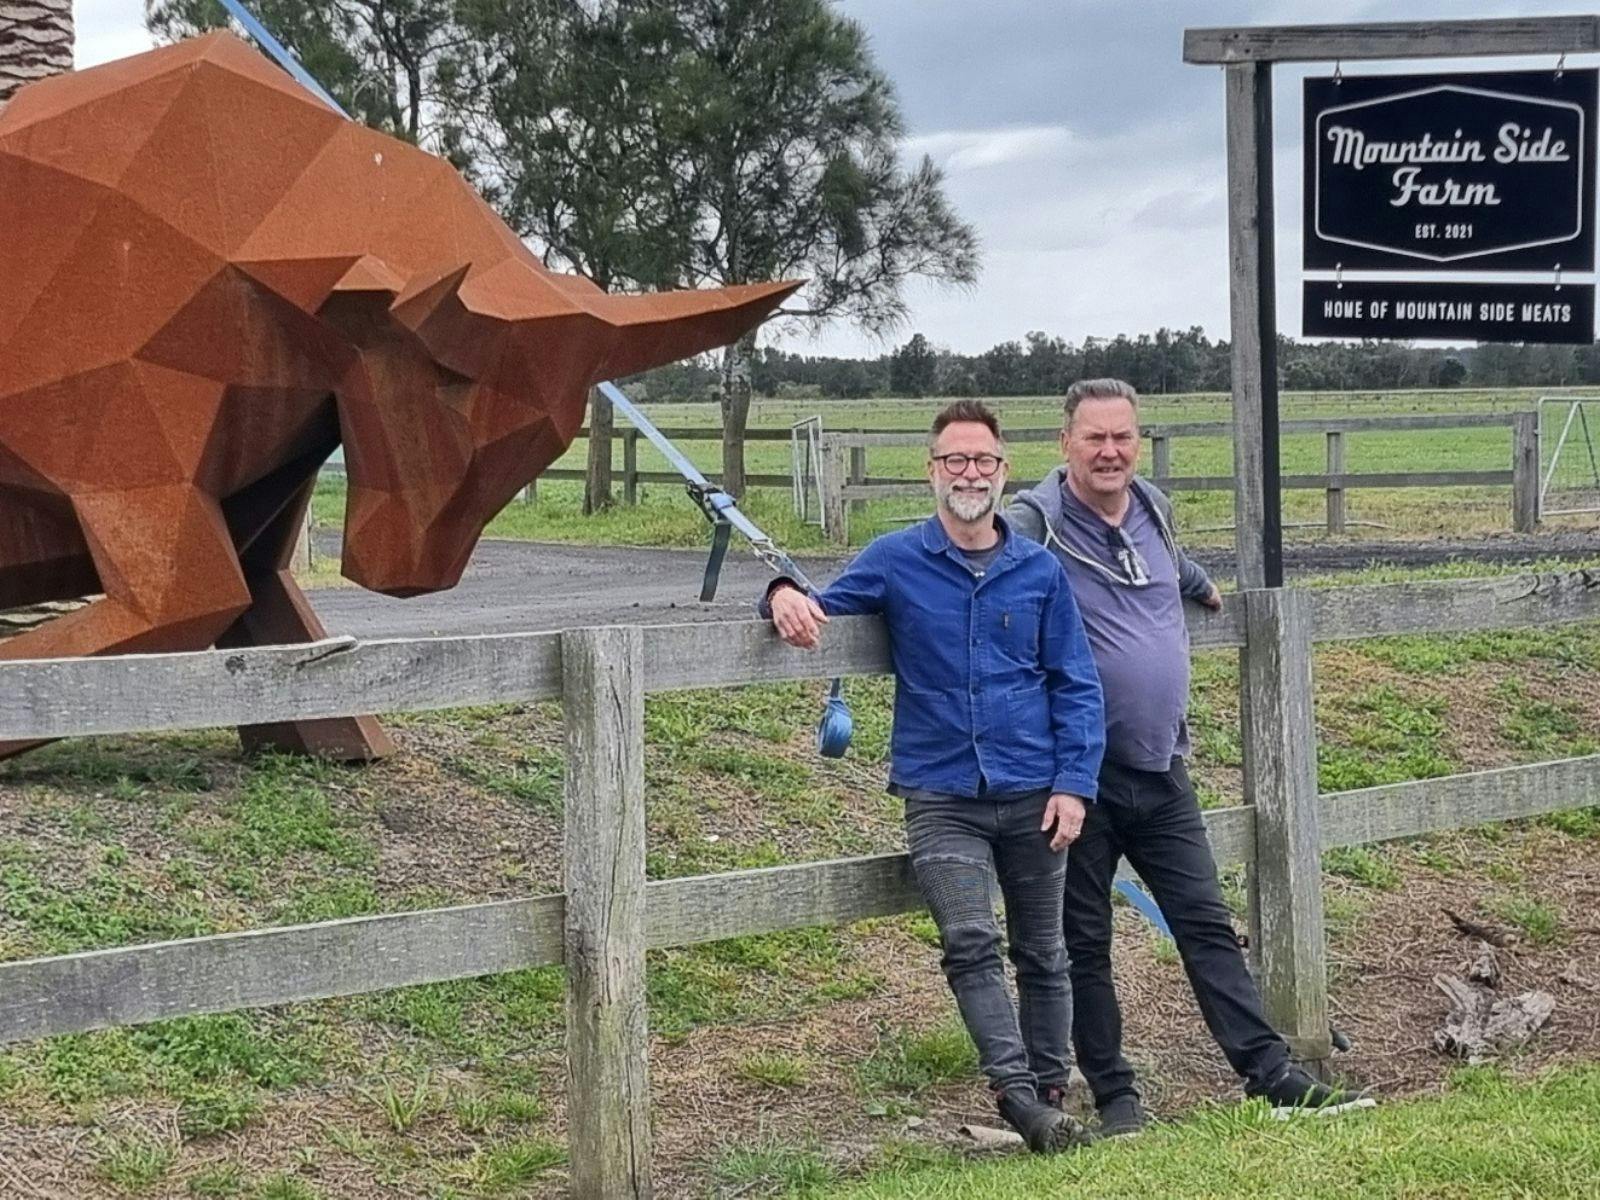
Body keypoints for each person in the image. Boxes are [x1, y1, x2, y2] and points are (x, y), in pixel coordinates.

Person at [1008, 378, 1375, 1134]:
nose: (1110, 452)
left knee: (1205, 924)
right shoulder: (1034, 521)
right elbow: (963, 560)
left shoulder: (1152, 507)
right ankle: (1117, 1099)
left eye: (1123, 437)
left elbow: (1168, 568)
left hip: (1162, 765)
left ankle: (1272, 1077)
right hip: (1077, 775)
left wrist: (1203, 584)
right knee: (1085, 945)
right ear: (1065, 443)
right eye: (1094, 438)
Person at [764, 399, 1105, 1153]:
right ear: (931, 472)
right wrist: (782, 592)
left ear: (1002, 470)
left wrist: (1074, 783)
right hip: (942, 796)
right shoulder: (895, 559)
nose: (970, 474)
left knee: (1045, 949)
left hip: (1033, 790)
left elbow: (1076, 682)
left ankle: (1053, 1090)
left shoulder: (1039, 571)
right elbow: (817, 604)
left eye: (983, 460)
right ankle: (1019, 1100)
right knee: (970, 940)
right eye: (955, 460)